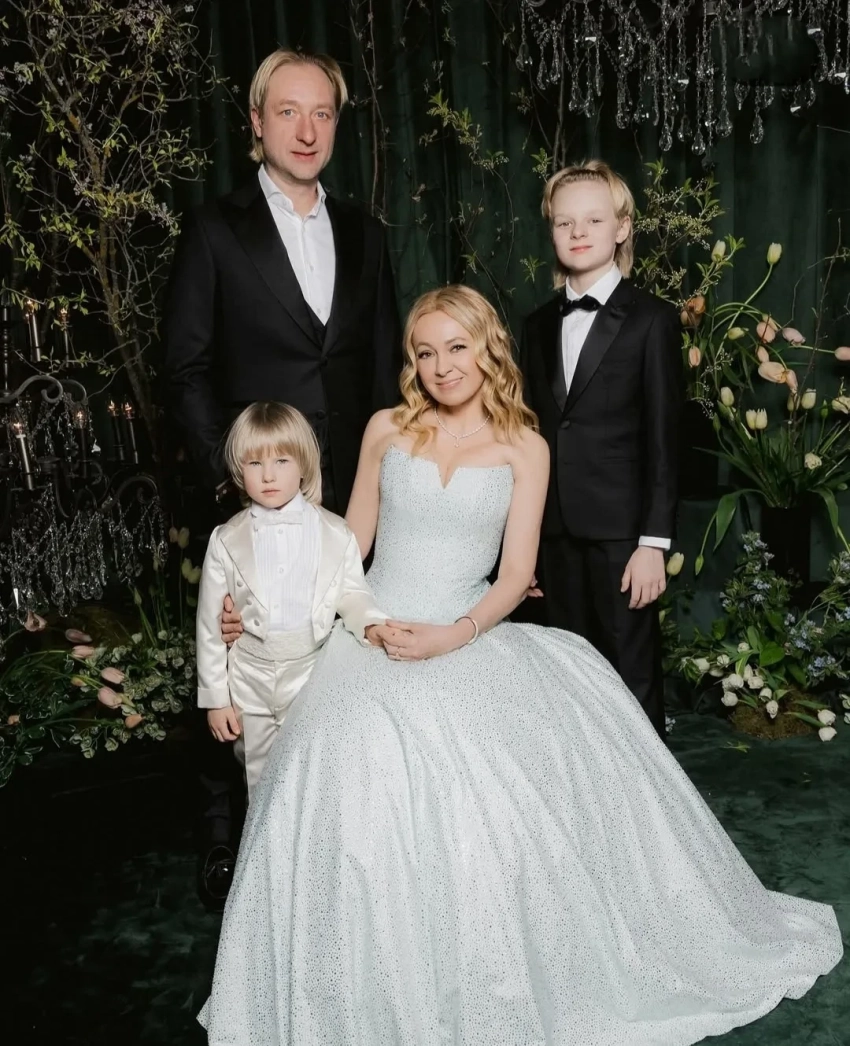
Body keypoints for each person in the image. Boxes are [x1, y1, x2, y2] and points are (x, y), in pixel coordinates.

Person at [199, 286, 841, 1045]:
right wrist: (262, 607)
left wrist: (453, 635)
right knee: (349, 774)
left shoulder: (525, 447)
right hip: (375, 629)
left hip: (467, 630)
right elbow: (346, 549)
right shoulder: (384, 429)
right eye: (425, 352)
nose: (442, 366)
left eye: (457, 347)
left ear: (489, 348)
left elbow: (513, 578)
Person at [161, 48, 402, 903]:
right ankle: (225, 841)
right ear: (257, 123)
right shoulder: (215, 229)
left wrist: (385, 488)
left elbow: (384, 372)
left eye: (323, 113)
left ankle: (336, 838)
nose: (307, 130)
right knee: (238, 656)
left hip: (350, 500)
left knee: (336, 661)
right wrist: (237, 483)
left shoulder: (368, 234)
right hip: (255, 491)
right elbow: (185, 369)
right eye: (289, 112)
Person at [519, 160, 682, 737]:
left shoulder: (653, 320)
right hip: (553, 535)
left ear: (622, 227)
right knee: (563, 678)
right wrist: (525, 546)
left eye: (593, 219)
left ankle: (647, 791)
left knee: (629, 678)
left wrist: (653, 544)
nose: (578, 232)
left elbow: (665, 441)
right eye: (564, 222)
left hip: (622, 539)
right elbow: (529, 437)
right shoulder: (535, 324)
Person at [196, 402, 390, 803]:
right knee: (259, 779)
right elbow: (210, 627)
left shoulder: (335, 532)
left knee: (315, 775)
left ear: (303, 464)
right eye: (255, 463)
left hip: (311, 672)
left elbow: (352, 592)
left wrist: (371, 623)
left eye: (281, 461)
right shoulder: (226, 539)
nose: (268, 475)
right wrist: (216, 699)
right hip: (248, 678)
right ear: (239, 470)